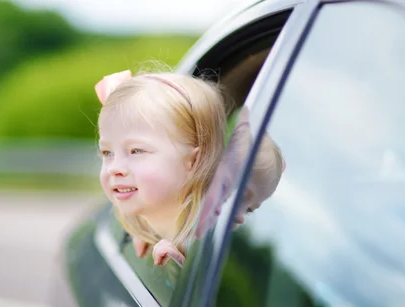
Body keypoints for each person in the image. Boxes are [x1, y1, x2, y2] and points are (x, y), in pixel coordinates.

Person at [95, 68, 226, 264]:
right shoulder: (148, 222)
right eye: (107, 153)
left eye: (136, 151)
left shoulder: (216, 242)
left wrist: (181, 266)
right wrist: (146, 233)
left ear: (193, 161)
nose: (115, 167)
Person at [133, 106, 285, 265]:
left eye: (249, 210)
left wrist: (178, 261)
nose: (241, 218)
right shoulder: (169, 205)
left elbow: (192, 269)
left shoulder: (210, 244)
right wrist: (148, 231)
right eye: (236, 195)